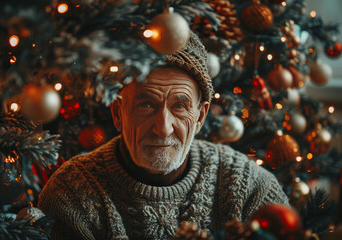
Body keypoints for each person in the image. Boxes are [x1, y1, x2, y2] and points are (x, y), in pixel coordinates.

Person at [38, 32, 289, 240]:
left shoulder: (249, 187)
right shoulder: (70, 196)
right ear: (118, 114)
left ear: (200, 117)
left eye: (180, 106)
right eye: (146, 105)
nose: (164, 128)